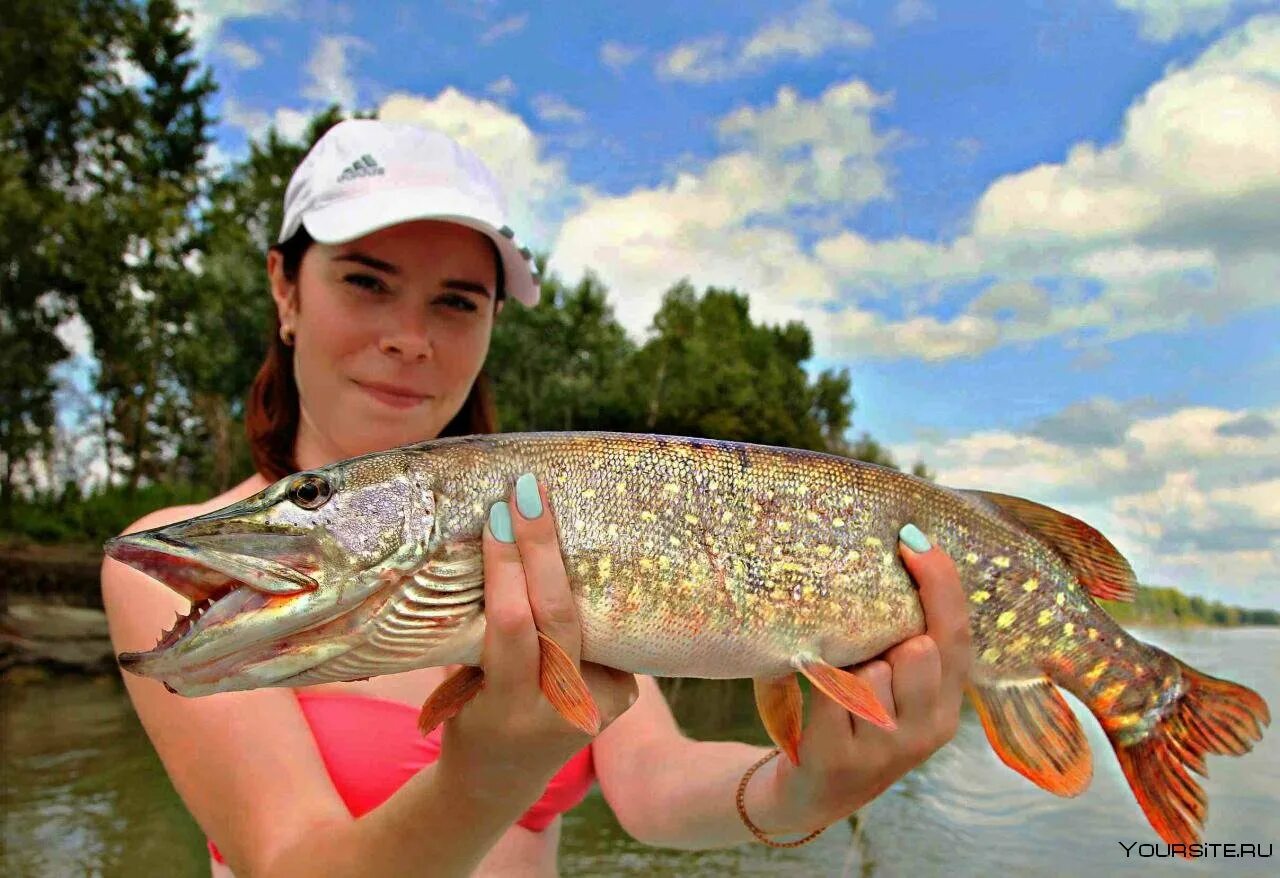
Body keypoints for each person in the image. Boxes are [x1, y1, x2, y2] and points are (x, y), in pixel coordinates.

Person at [102, 119, 972, 877]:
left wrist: (799, 790)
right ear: (286, 290)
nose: (410, 338)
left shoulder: (545, 530)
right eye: (367, 282)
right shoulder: (182, 567)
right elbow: (291, 865)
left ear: (489, 327)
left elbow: (655, 786)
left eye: (456, 301)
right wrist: (487, 773)